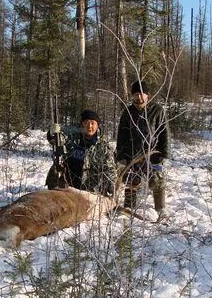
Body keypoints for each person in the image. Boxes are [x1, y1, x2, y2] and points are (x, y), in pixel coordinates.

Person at [116, 80, 171, 216]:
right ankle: (129, 207)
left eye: (141, 94)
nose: (139, 97)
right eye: (135, 94)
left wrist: (165, 155)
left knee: (157, 180)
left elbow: (165, 133)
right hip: (132, 154)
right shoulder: (127, 112)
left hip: (152, 154)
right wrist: (121, 157)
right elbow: (121, 136)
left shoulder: (157, 110)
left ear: (147, 95)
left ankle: (160, 208)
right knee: (131, 180)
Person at [46, 109, 117, 196]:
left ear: (97, 126)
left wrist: (112, 187)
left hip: (91, 192)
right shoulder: (71, 137)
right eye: (86, 123)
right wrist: (52, 133)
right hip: (67, 187)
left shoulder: (103, 146)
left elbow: (110, 169)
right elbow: (57, 140)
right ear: (81, 124)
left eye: (92, 123)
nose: (89, 126)